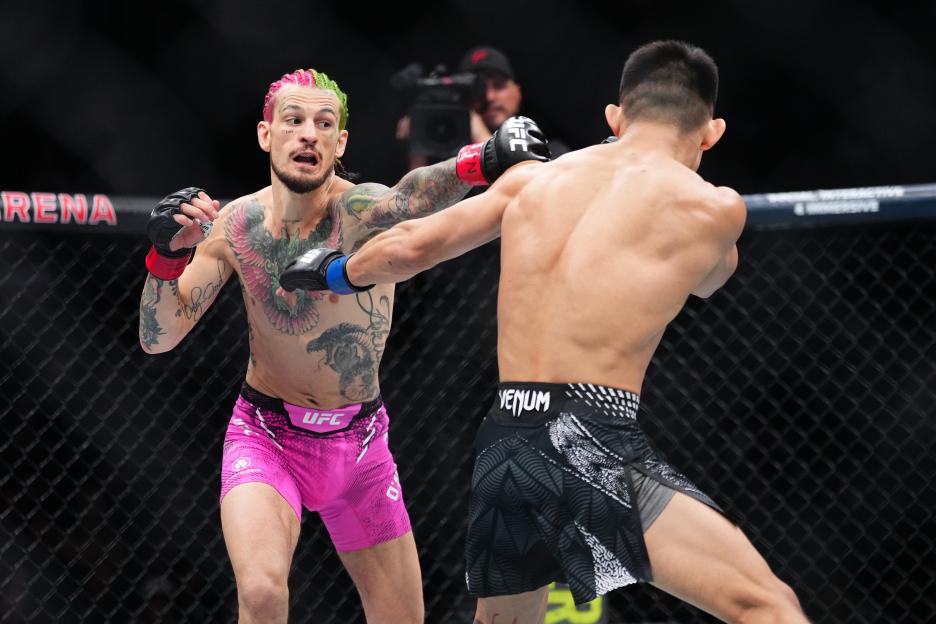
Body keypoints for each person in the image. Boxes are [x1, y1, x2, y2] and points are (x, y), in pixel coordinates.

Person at [281, 41, 810, 623]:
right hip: (589, 435)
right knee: (769, 606)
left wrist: (333, 270)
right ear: (711, 132)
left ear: (615, 115)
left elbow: (412, 246)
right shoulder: (714, 206)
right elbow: (713, 279)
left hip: (508, 437)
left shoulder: (533, 179)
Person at [137, 67, 548, 624]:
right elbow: (159, 337)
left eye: (323, 123)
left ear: (339, 143)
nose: (308, 133)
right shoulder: (234, 226)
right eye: (295, 120)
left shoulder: (361, 212)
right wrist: (165, 258)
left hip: (360, 448)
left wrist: (484, 158)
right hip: (266, 437)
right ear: (266, 134)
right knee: (261, 594)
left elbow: (412, 196)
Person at [398, 45, 570, 170]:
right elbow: (415, 210)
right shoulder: (450, 166)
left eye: (498, 85)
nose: (489, 97)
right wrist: (419, 146)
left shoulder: (549, 152)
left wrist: (480, 135)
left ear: (517, 93)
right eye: (478, 92)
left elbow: (529, 190)